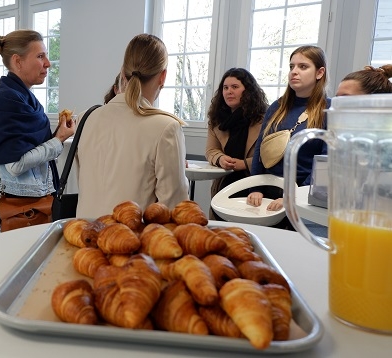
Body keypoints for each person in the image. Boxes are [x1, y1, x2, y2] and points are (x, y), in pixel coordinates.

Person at [76, 34, 190, 218]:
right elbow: (174, 208)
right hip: (132, 241)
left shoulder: (85, 118)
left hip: (85, 236)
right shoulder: (166, 127)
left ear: (123, 72)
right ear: (163, 77)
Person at [0, 30, 75, 228]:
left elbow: (31, 145)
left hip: (35, 200)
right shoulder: (7, 100)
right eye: (40, 56)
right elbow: (16, 165)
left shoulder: (23, 97)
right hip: (26, 207)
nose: (48, 63)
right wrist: (58, 140)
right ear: (18, 61)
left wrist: (57, 134)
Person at [247, 45, 330, 226]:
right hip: (267, 195)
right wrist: (256, 187)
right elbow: (260, 150)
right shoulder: (277, 107)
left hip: (302, 197)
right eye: (291, 66)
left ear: (319, 72)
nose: (294, 72)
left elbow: (324, 161)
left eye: (303, 66)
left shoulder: (327, 110)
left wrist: (293, 197)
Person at [205, 68, 268, 220]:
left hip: (255, 185)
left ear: (248, 91)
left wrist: (244, 164)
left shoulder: (264, 119)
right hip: (223, 184)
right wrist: (220, 158)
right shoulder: (216, 119)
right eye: (225, 88)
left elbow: (270, 156)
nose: (229, 92)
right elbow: (211, 150)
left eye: (235, 87)